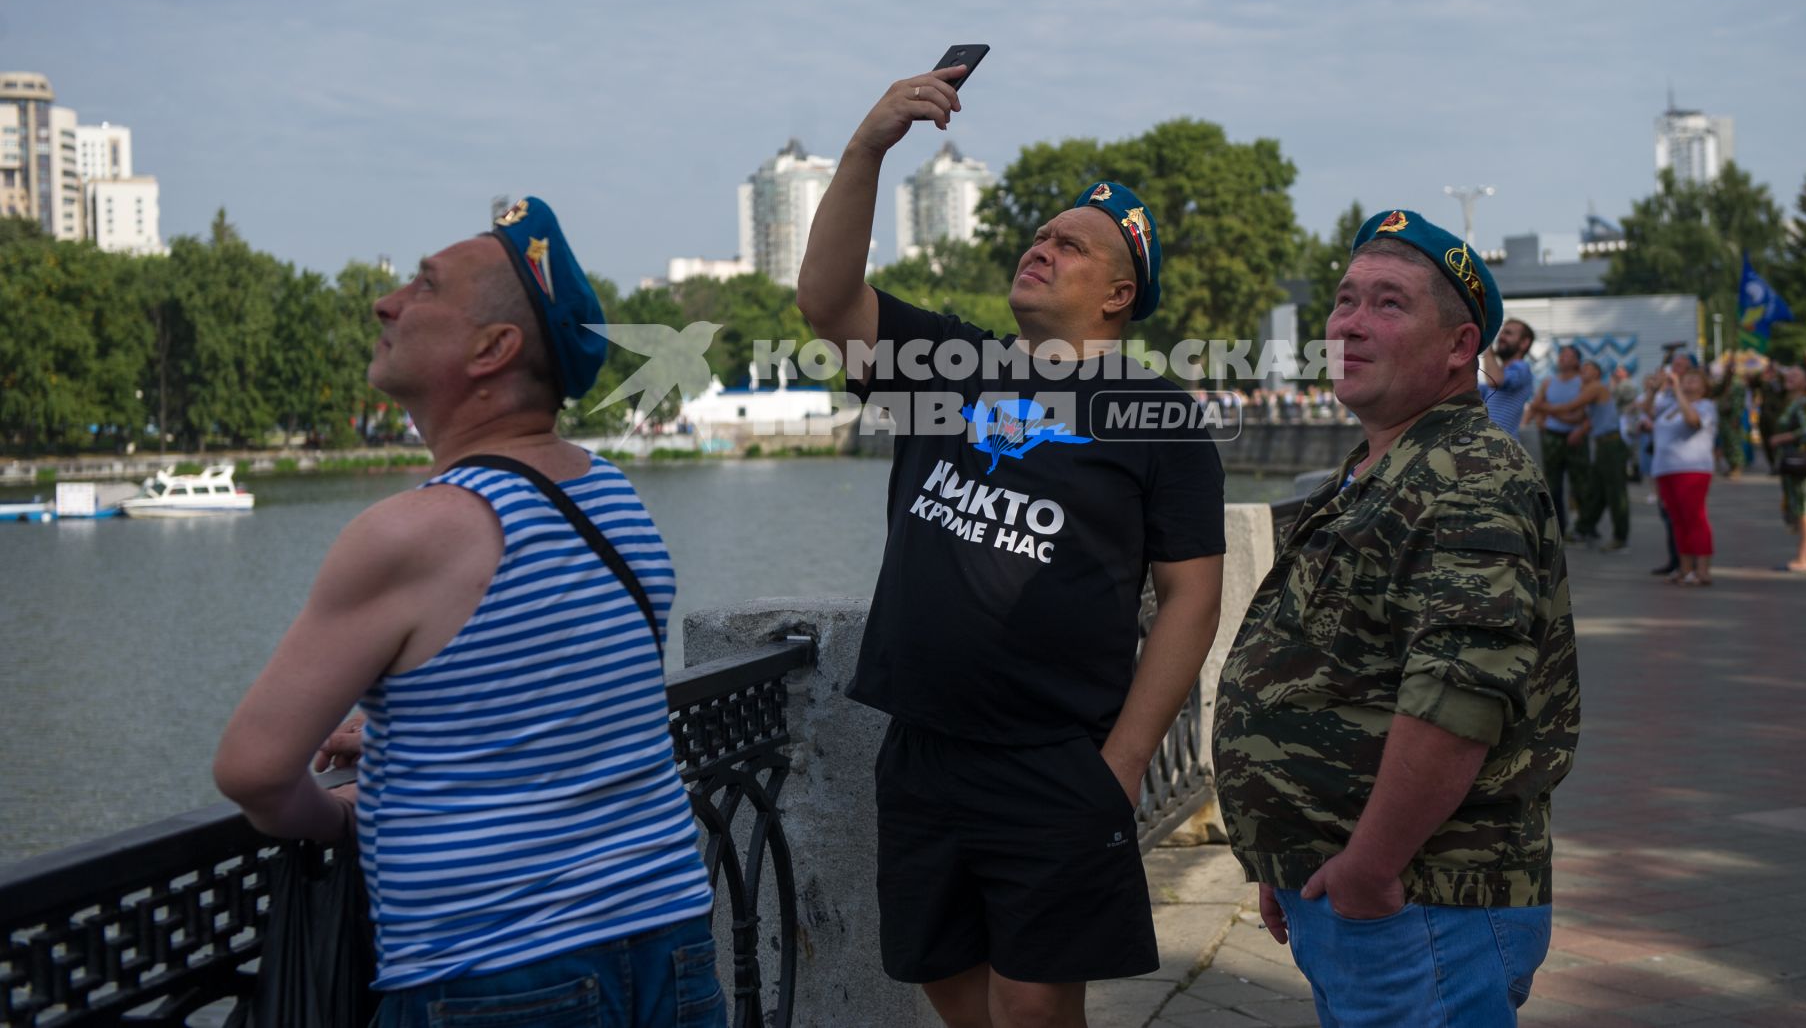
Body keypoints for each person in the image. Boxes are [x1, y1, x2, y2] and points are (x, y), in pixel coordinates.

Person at [213, 198, 726, 1027]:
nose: (388, 303)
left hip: (498, 977)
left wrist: (347, 816)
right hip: (672, 945)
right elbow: (566, 704)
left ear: (493, 349)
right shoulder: (615, 501)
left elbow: (255, 770)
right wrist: (411, 737)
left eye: (423, 286)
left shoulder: (414, 532)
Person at [795, 64, 1227, 1028]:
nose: (1043, 245)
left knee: (1035, 1002)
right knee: (947, 978)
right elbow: (827, 304)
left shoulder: (1159, 414)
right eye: (1041, 233)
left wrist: (1123, 762)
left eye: (1071, 245)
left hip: (1053, 756)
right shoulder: (952, 362)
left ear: (1120, 291)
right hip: (922, 744)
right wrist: (867, 145)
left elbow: (1192, 596)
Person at [1213, 208, 1579, 1028]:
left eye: (1388, 303)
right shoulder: (1389, 464)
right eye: (1344, 300)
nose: (1349, 322)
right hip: (1364, 888)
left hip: (1420, 899)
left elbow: (1458, 700)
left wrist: (1369, 867)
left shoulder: (1472, 474)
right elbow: (1339, 672)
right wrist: (1288, 847)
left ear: (1459, 347)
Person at [1541, 359, 1628, 551]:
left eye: (1588, 369)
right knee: (1595, 491)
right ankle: (1583, 528)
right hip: (1603, 444)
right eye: (1583, 369)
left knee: (1615, 492)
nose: (1583, 372)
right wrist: (1558, 418)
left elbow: (1571, 407)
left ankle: (1620, 537)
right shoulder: (1590, 392)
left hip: (1611, 444)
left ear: (1597, 373)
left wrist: (1543, 407)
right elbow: (1578, 418)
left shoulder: (1596, 387)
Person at [1651, 366, 1718, 586]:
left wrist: (1678, 389)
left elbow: (1692, 421)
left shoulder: (1706, 406)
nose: (1687, 383)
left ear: (1704, 387)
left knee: (1695, 519)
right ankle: (1685, 568)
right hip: (1666, 469)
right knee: (1677, 521)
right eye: (1685, 380)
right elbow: (1646, 412)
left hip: (1692, 468)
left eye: (1693, 380)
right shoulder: (1670, 406)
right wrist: (1656, 388)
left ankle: (1702, 570)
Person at [1767, 366, 1806, 571]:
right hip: (1798, 464)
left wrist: (1782, 438)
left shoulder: (1803, 404)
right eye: (1789, 374)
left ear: (1805, 382)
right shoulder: (1792, 402)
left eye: (1796, 375)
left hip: (1802, 464)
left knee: (1805, 511)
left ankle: (1802, 559)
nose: (1790, 378)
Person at [1527, 345, 1591, 538]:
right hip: (1552, 437)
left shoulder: (1584, 382)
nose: (1563, 358)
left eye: (1568, 355)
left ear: (1576, 361)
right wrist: (1541, 419)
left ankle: (1583, 527)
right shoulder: (1548, 382)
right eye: (1561, 355)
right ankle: (1558, 529)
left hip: (1575, 437)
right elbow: (1536, 405)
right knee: (1553, 485)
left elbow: (1584, 415)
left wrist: (1552, 411)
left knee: (1581, 485)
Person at [1478, 318, 1535, 439]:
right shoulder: (1503, 373)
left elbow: (1495, 380)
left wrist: (1487, 344)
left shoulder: (1522, 368)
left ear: (1524, 343)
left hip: (1502, 449)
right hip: (1493, 444)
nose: (1501, 337)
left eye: (1508, 333)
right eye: (1502, 333)